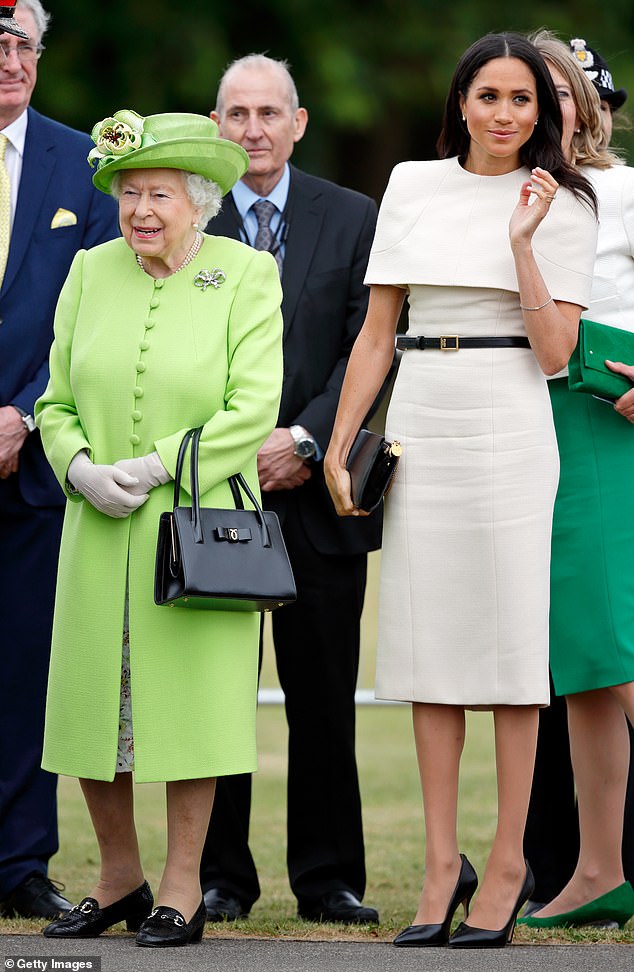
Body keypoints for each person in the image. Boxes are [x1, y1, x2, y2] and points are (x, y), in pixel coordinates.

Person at [325, 32, 599, 949]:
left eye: (523, 99)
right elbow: (376, 332)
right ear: (462, 102)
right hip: (424, 417)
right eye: (490, 95)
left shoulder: (565, 202)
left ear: (544, 111)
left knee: (512, 654)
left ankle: (510, 860)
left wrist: (523, 238)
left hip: (512, 419)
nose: (506, 113)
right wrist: (339, 442)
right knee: (430, 648)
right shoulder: (411, 183)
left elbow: (557, 353)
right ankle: (441, 867)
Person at [34, 108, 283, 948]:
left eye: (160, 194)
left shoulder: (246, 275)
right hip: (96, 528)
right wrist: (79, 468)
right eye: (129, 193)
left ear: (200, 200)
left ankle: (183, 886)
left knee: (188, 713)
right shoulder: (89, 270)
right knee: (91, 710)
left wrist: (151, 468)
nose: (141, 209)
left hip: (196, 531)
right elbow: (54, 398)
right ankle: (117, 877)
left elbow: (253, 412)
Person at [199, 54, 381, 925]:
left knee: (322, 697)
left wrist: (307, 438)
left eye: (270, 113)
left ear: (299, 123)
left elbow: (368, 344)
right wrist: (237, 447)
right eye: (238, 114)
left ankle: (330, 878)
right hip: (213, 495)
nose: (255, 129)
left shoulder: (352, 218)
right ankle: (217, 879)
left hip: (318, 493)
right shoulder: (184, 220)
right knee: (213, 692)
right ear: (216, 125)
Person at [0, 0, 119, 920]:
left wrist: (22, 412)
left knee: (23, 668)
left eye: (20, 45)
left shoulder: (84, 164)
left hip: (31, 460)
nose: (7, 60)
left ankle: (19, 866)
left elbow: (91, 313)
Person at [518, 32, 634, 930]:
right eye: (527, 91)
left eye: (558, 91)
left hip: (613, 419)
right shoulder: (503, 199)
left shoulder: (628, 190)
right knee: (586, 663)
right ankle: (599, 869)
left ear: (587, 104)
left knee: (620, 653)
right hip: (530, 420)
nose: (544, 107)